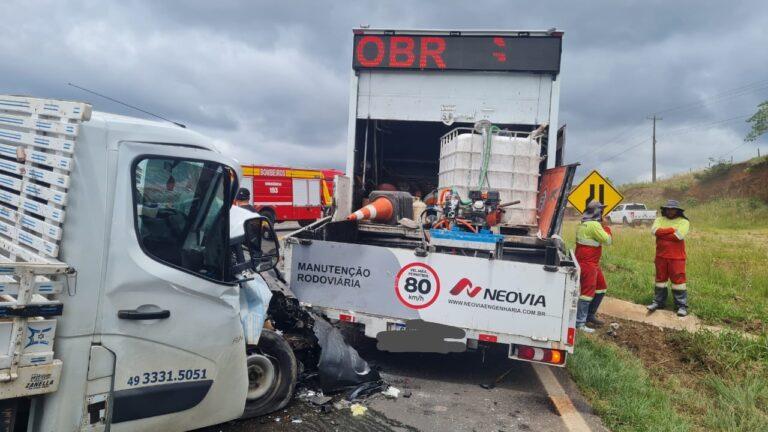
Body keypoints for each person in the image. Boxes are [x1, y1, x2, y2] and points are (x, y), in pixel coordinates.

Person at [574, 200, 613, 333]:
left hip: (590, 263)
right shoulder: (594, 225)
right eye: (601, 211)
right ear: (597, 212)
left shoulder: (583, 223)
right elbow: (608, 241)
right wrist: (606, 227)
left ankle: (590, 316)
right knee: (587, 294)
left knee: (601, 288)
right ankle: (580, 323)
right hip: (588, 264)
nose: (603, 214)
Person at [647, 199, 690, 316]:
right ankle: (658, 302)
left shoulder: (684, 221)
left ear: (677, 210)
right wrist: (671, 229)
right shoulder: (659, 219)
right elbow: (654, 231)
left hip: (677, 258)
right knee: (660, 280)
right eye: (668, 209)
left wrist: (662, 234)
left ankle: (681, 306)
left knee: (679, 282)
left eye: (673, 209)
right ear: (665, 209)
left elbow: (679, 236)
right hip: (660, 256)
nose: (670, 211)